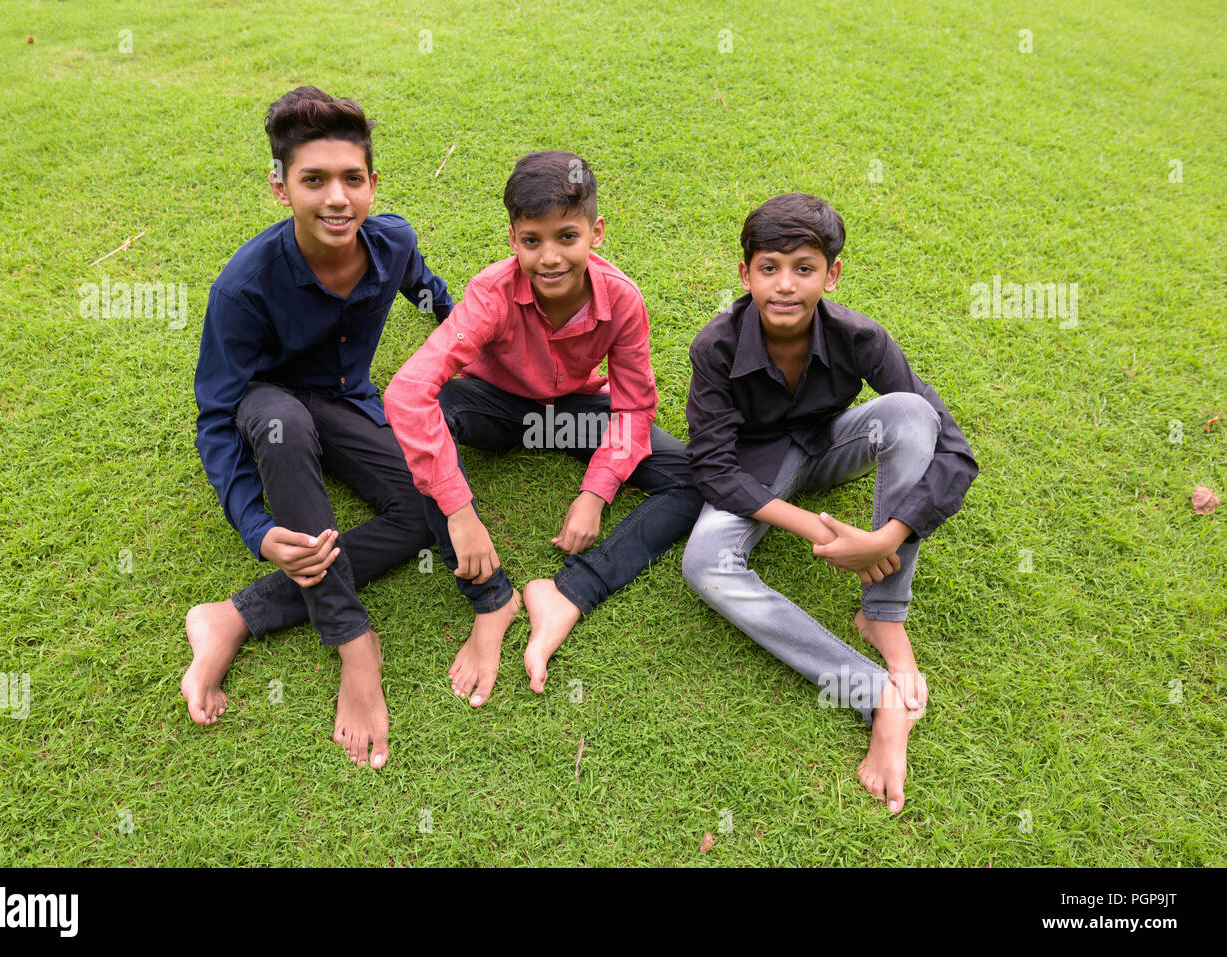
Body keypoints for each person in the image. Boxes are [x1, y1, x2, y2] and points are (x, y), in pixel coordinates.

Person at [183, 86, 454, 770]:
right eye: (314, 180)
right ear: (281, 189)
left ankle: (235, 616)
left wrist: (493, 350)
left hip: (344, 403)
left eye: (351, 179)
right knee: (280, 421)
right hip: (268, 410)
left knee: (425, 509)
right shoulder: (243, 287)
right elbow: (217, 418)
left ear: (372, 184)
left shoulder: (392, 243)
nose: (336, 197)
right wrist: (256, 526)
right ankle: (353, 642)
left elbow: (431, 296)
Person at [681, 192, 978, 813]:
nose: (785, 286)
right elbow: (712, 466)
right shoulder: (715, 348)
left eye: (804, 268)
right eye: (769, 268)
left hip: (828, 447)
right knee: (704, 563)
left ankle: (883, 615)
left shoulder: (861, 338)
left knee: (910, 413)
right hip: (758, 474)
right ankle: (876, 695)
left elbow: (955, 451)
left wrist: (885, 537)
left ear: (832, 274)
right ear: (745, 274)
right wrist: (815, 532)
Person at [384, 151, 703, 708]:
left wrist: (595, 493)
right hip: (490, 403)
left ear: (596, 233)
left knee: (695, 479)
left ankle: (569, 591)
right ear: (513, 239)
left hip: (571, 410)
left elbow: (632, 407)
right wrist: (460, 512)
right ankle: (491, 600)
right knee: (424, 432)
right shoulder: (492, 291)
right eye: (532, 240)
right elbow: (409, 393)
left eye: (567, 237)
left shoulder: (622, 298)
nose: (549, 257)